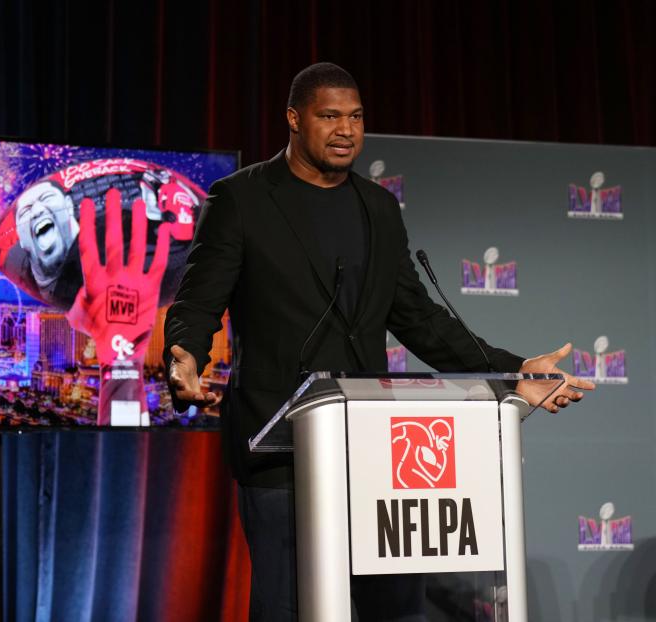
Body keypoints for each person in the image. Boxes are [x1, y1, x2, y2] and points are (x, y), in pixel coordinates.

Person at [163, 63, 595, 621]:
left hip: (370, 448)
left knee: (390, 608)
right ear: (294, 119)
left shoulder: (379, 208)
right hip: (279, 448)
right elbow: (199, 302)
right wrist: (186, 357)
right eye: (330, 116)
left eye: (356, 117)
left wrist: (516, 372)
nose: (346, 130)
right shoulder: (241, 199)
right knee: (288, 606)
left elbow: (419, 321)